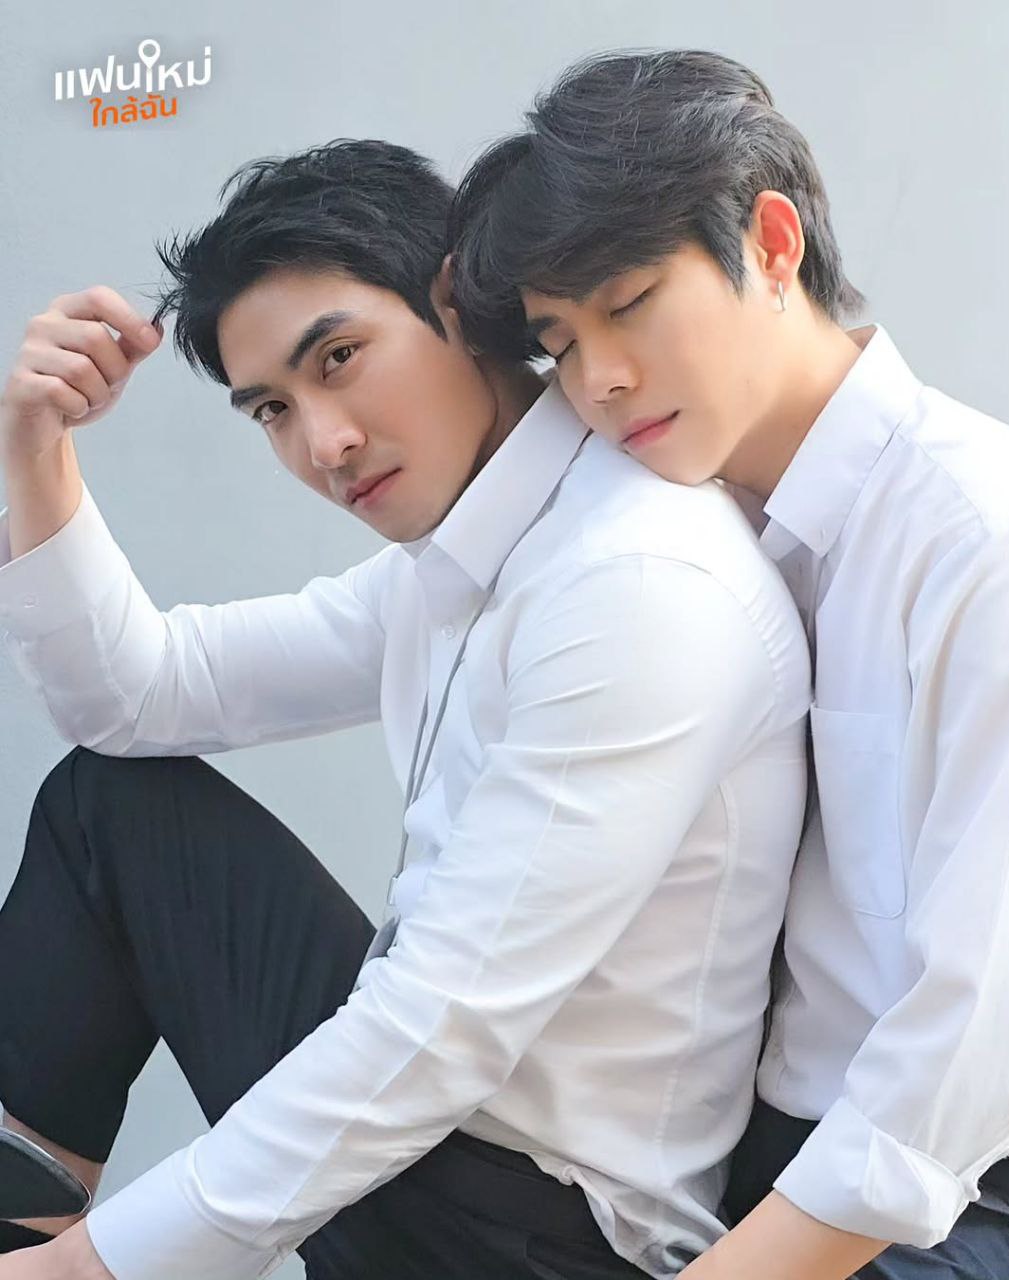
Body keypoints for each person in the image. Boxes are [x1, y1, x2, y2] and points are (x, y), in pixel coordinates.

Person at [0, 137, 809, 1280]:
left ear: (458, 299)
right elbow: (133, 699)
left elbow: (441, 1031)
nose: (324, 443)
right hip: (454, 1156)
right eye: (272, 408)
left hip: (545, 1238)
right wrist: (33, 451)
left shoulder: (630, 581)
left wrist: (89, 1266)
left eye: (339, 358)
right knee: (113, 810)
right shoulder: (471, 554)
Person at [448, 47, 1009, 1280]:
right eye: (559, 342)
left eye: (629, 302)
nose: (599, 380)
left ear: (771, 243)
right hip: (738, 1170)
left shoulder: (980, 536)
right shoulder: (680, 534)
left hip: (945, 1200)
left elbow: (969, 1047)